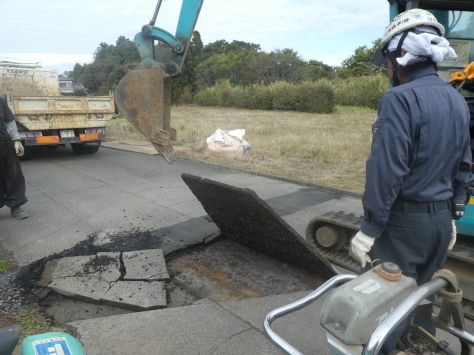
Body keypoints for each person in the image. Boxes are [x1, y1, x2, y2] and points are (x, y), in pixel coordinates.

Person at [349, 8, 474, 353]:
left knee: (381, 311)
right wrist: (453, 214)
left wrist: (370, 228)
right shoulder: (457, 100)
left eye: (386, 60)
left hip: (403, 225)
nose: (387, 69)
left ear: (397, 56)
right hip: (438, 225)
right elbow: (465, 165)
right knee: (418, 300)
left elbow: (387, 169)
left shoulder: (398, 99)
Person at [0, 96, 28, 219]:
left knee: (13, 176)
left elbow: (10, 121)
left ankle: (16, 207)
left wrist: (16, 140)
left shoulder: (0, 101)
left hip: (5, 144)